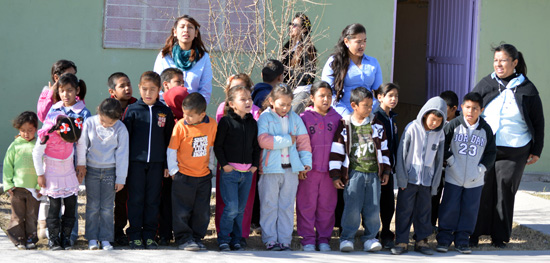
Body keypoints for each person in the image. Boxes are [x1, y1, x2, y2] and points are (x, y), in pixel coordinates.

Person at [471, 43, 545, 248]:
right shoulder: (486, 84)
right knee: (481, 189)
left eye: (503, 60)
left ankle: (499, 237)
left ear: (514, 62)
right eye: (496, 60)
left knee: (505, 191)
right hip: (486, 146)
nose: (498, 64)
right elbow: (470, 109)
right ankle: (474, 233)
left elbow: (538, 121)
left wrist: (536, 149)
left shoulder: (527, 88)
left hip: (515, 148)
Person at [329, 87, 391, 253]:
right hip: (354, 175)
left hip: (373, 175)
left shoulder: (377, 125)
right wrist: (335, 175)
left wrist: (385, 171)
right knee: (352, 209)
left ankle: (370, 238)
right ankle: (347, 238)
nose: (370, 109)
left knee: (373, 208)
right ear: (353, 105)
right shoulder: (345, 125)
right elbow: (336, 151)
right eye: (366, 105)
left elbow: (384, 150)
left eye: (371, 105)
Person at [435, 92, 496, 254]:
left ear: (481, 110)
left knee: (470, 210)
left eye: (475, 108)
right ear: (462, 107)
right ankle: (444, 239)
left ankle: (463, 240)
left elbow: (491, 153)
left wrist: (481, 169)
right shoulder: (454, 125)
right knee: (449, 208)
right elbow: (442, 145)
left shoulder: (486, 129)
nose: (470, 111)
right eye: (467, 107)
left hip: (475, 180)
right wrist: (452, 161)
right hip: (453, 176)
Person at [122, 71, 175, 249]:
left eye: (152, 89)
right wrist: (125, 164)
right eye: (144, 89)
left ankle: (150, 234)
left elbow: (169, 140)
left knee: (153, 199)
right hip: (135, 163)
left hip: (157, 164)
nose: (148, 93)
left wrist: (168, 164)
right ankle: (135, 234)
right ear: (139, 88)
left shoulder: (164, 111)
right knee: (136, 198)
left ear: (159, 90)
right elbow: (125, 139)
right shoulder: (132, 110)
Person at [257, 84, 312, 251]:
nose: (285, 108)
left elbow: (303, 143)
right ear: (272, 101)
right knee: (269, 205)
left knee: (287, 206)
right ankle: (270, 239)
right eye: (282, 104)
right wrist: (288, 139)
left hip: (291, 170)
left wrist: (306, 163)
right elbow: (263, 140)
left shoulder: (295, 118)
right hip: (270, 170)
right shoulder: (265, 117)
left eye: (288, 104)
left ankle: (285, 240)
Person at [391, 97, 447, 256]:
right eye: (432, 119)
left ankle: (421, 241)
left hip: (427, 181)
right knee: (404, 210)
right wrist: (402, 178)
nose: (434, 123)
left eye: (438, 120)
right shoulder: (411, 128)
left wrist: (435, 184)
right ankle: (401, 241)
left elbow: (438, 160)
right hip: (409, 180)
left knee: (424, 212)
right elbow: (401, 155)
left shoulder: (440, 135)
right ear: (424, 114)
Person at [76, 98, 129, 250]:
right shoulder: (90, 123)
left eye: (110, 123)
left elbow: (122, 154)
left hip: (110, 171)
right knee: (92, 205)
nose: (105, 125)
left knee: (107, 207)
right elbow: (82, 145)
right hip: (92, 170)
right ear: (98, 111)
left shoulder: (121, 129)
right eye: (103, 120)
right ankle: (92, 238)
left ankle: (105, 238)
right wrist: (82, 165)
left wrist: (120, 178)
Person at [214, 73, 260, 247]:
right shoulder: (226, 122)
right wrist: (225, 165)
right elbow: (218, 146)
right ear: (232, 104)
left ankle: (236, 239)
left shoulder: (252, 123)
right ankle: (224, 239)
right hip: (230, 173)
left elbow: (256, 146)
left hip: (247, 173)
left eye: (249, 98)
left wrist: (254, 166)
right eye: (243, 99)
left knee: (240, 209)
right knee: (231, 207)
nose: (248, 102)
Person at [167, 93, 217, 251]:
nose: (185, 117)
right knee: (182, 210)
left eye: (190, 115)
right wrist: (174, 171)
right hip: (184, 176)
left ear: (202, 114)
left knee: (201, 211)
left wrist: (211, 167)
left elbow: (211, 147)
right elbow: (172, 150)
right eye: (184, 113)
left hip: (203, 176)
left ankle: (196, 238)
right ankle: (183, 239)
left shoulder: (212, 124)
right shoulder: (181, 125)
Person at [45, 72, 91, 245]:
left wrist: (81, 164)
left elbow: (83, 141)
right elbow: (46, 136)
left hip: (73, 162)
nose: (66, 94)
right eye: (62, 91)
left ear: (77, 90)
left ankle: (69, 236)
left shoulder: (83, 113)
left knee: (71, 201)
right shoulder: (54, 109)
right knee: (54, 201)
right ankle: (53, 237)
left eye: (70, 90)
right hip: (55, 164)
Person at [296, 81, 341, 252]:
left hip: (330, 173)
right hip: (308, 172)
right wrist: (301, 167)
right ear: (312, 97)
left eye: (329, 96)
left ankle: (324, 239)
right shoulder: (303, 119)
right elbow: (299, 145)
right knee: (306, 205)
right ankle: (307, 239)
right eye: (321, 96)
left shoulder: (337, 119)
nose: (326, 99)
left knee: (327, 206)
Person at [32, 114, 83, 250]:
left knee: (71, 205)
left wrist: (81, 165)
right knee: (54, 207)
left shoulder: (73, 128)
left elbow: (81, 146)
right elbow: (36, 153)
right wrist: (40, 174)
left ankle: (66, 238)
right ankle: (53, 239)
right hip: (52, 174)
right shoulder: (47, 133)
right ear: (59, 131)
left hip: (69, 172)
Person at [321, 23, 383, 116]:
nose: (362, 45)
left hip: (369, 115)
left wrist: (370, 111)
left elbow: (379, 93)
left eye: (364, 41)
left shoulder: (373, 62)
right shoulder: (335, 61)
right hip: (342, 115)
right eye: (358, 42)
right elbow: (328, 92)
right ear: (346, 42)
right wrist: (346, 115)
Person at [157, 68, 188, 246]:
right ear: (166, 85)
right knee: (163, 198)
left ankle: (178, 232)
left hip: (184, 163)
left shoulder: (184, 107)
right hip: (164, 163)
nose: (182, 86)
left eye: (183, 83)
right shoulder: (160, 106)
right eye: (178, 82)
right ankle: (163, 232)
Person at [154, 15, 213, 104]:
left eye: (190, 27)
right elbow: (157, 85)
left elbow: (205, 89)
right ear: (175, 32)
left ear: (196, 33)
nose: (186, 30)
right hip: (168, 107)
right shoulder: (164, 56)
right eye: (182, 27)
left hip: (193, 109)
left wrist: (196, 109)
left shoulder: (203, 57)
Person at [106, 72, 136, 246]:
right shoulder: (108, 109)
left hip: (132, 162)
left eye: (129, 84)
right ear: (112, 91)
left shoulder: (137, 106)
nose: (127, 88)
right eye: (122, 86)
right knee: (112, 199)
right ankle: (110, 231)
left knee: (126, 199)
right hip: (110, 162)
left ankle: (124, 231)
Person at [3, 111, 40, 249]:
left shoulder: (39, 146)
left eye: (30, 130)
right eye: (23, 130)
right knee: (17, 216)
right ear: (18, 129)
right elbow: (8, 165)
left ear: (36, 128)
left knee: (32, 215)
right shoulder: (15, 145)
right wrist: (8, 184)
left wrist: (39, 185)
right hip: (17, 189)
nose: (26, 133)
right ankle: (18, 240)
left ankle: (31, 239)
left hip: (34, 190)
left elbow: (44, 166)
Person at [373, 83, 399, 248]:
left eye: (396, 96)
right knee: (375, 202)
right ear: (380, 97)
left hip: (389, 168)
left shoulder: (392, 118)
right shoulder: (376, 117)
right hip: (378, 168)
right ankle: (373, 233)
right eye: (390, 95)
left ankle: (387, 232)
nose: (394, 99)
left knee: (388, 203)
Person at [431, 90, 460, 229]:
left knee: (450, 198)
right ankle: (430, 224)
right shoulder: (435, 120)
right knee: (434, 196)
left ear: (454, 109)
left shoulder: (460, 124)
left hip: (454, 167)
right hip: (436, 166)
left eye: (445, 108)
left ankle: (446, 226)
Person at [281, 13, 317, 114]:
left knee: (290, 114)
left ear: (304, 29)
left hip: (302, 90)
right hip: (287, 90)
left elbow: (309, 76)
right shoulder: (287, 47)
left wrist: (288, 71)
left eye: (295, 25)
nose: (291, 27)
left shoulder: (308, 48)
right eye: (290, 24)